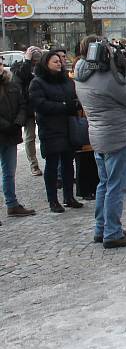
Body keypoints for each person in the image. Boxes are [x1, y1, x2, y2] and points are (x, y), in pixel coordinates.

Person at [74, 39, 126, 248]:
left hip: (99, 136)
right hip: (118, 137)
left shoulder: (81, 73)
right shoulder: (107, 80)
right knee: (116, 187)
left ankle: (101, 228)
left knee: (104, 183)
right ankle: (112, 232)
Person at [29, 50, 82, 213]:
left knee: (68, 164)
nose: (59, 63)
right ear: (46, 63)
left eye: (60, 61)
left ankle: (69, 197)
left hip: (67, 127)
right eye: (55, 61)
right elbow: (40, 104)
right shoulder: (38, 82)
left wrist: (74, 105)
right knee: (52, 166)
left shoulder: (67, 80)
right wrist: (64, 107)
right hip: (50, 129)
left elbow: (74, 97)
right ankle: (53, 200)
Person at [0, 58, 36, 222]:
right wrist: (6, 125)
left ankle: (12, 204)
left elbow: (22, 104)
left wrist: (18, 122)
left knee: (9, 172)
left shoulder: (11, 83)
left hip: (11, 134)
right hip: (5, 131)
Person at [10, 46, 43, 176]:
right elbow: (20, 78)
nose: (35, 63)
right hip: (27, 107)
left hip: (40, 104)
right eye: (33, 60)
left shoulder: (42, 66)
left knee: (47, 133)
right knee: (30, 137)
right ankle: (33, 165)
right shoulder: (18, 66)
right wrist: (27, 62)